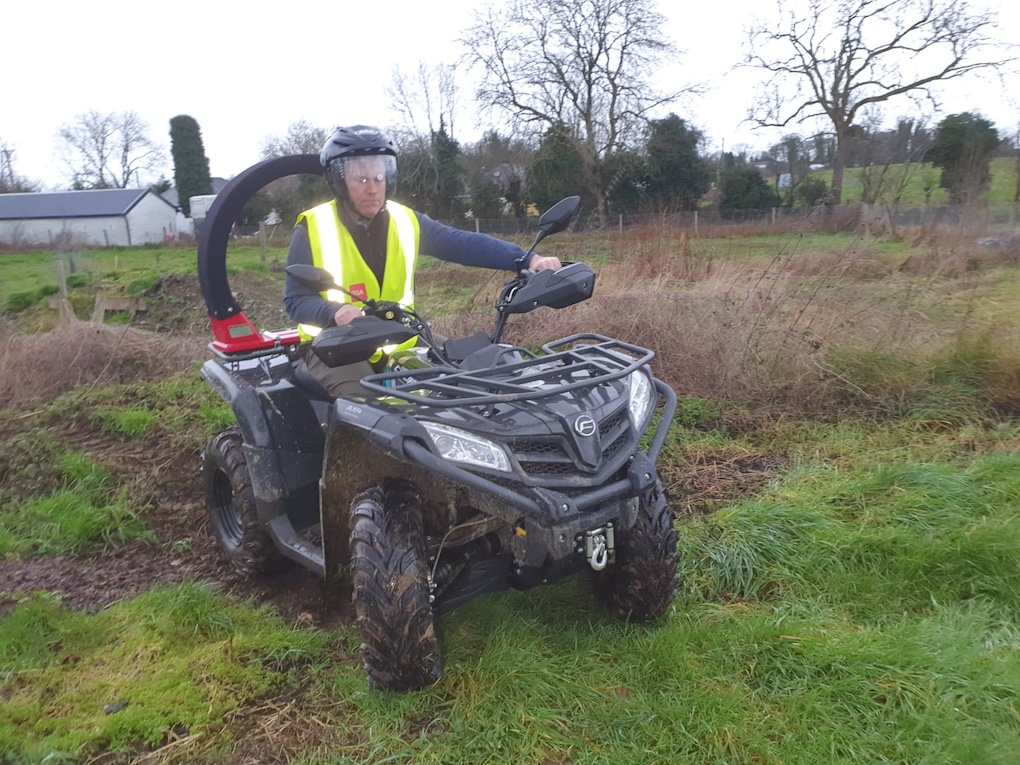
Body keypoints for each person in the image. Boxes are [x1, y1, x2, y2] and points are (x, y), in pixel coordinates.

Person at [285, 125, 561, 397]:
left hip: (400, 336)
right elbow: (295, 300)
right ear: (339, 181)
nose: (373, 188)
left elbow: (463, 244)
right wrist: (333, 312)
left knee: (471, 376)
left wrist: (527, 260)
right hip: (334, 346)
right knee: (367, 408)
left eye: (379, 177)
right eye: (362, 179)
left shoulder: (405, 220)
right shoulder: (314, 227)